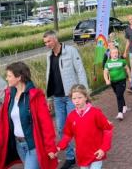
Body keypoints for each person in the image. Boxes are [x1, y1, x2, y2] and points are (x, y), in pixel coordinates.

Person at [0, 62, 58, 169]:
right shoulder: (9, 95)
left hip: (33, 145)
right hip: (19, 144)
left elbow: (46, 124)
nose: (6, 79)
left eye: (9, 76)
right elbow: (3, 121)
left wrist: (50, 148)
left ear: (19, 77)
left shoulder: (35, 96)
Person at [43, 30, 88, 169]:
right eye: (45, 42)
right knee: (61, 128)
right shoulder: (48, 55)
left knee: (76, 127)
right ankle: (70, 156)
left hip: (71, 97)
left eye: (49, 41)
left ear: (55, 39)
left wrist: (85, 93)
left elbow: (80, 70)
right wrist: (49, 98)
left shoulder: (71, 51)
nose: (47, 44)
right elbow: (48, 76)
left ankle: (84, 154)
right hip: (57, 98)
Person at [57, 85, 113, 169]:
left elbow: (108, 130)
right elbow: (68, 134)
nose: (76, 101)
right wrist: (59, 146)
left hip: (96, 153)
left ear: (86, 97)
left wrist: (103, 148)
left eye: (79, 97)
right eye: (74, 98)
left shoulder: (95, 112)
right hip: (82, 155)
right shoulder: (71, 116)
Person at [103, 47, 130, 120]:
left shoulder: (122, 61)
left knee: (119, 95)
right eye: (113, 53)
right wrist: (106, 80)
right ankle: (124, 106)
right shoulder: (108, 63)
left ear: (118, 54)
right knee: (119, 94)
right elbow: (105, 72)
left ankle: (120, 113)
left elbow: (127, 69)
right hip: (113, 82)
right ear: (110, 54)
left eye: (116, 53)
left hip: (122, 80)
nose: (115, 54)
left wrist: (130, 77)